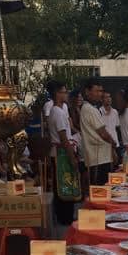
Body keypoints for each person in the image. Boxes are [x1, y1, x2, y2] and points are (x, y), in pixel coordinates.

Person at [47, 81, 80, 226]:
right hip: (62, 153)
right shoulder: (57, 112)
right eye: (64, 92)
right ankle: (64, 216)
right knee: (64, 183)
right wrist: (72, 157)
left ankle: (65, 215)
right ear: (57, 94)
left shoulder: (60, 110)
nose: (66, 94)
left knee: (66, 182)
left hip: (63, 151)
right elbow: (63, 137)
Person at [79, 77, 116, 185]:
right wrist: (113, 144)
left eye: (101, 91)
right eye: (97, 91)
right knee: (101, 189)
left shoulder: (90, 108)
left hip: (100, 157)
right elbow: (103, 133)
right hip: (98, 159)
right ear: (87, 91)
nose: (100, 94)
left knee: (102, 188)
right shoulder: (89, 109)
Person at [101, 90, 121, 164]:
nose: (108, 99)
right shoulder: (99, 112)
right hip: (105, 145)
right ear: (101, 99)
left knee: (117, 166)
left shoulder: (115, 112)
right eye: (106, 97)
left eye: (109, 97)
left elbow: (117, 126)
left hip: (116, 144)